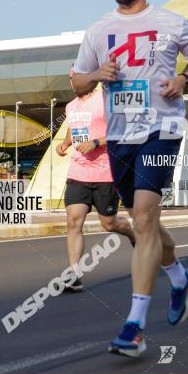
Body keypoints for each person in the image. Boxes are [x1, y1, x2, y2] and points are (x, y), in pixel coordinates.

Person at [72, 0, 188, 358]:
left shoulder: (171, 22)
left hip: (161, 129)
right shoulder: (97, 29)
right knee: (140, 222)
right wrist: (96, 74)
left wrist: (185, 80)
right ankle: (179, 276)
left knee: (146, 216)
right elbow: (77, 83)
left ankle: (134, 326)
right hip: (120, 135)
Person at [56, 79, 136, 292]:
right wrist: (65, 143)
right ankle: (74, 275)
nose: (73, 81)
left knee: (109, 224)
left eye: (76, 76)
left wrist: (96, 142)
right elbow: (75, 129)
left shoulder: (106, 100)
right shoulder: (71, 106)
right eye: (71, 78)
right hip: (78, 171)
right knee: (74, 221)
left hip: (106, 173)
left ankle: (132, 234)